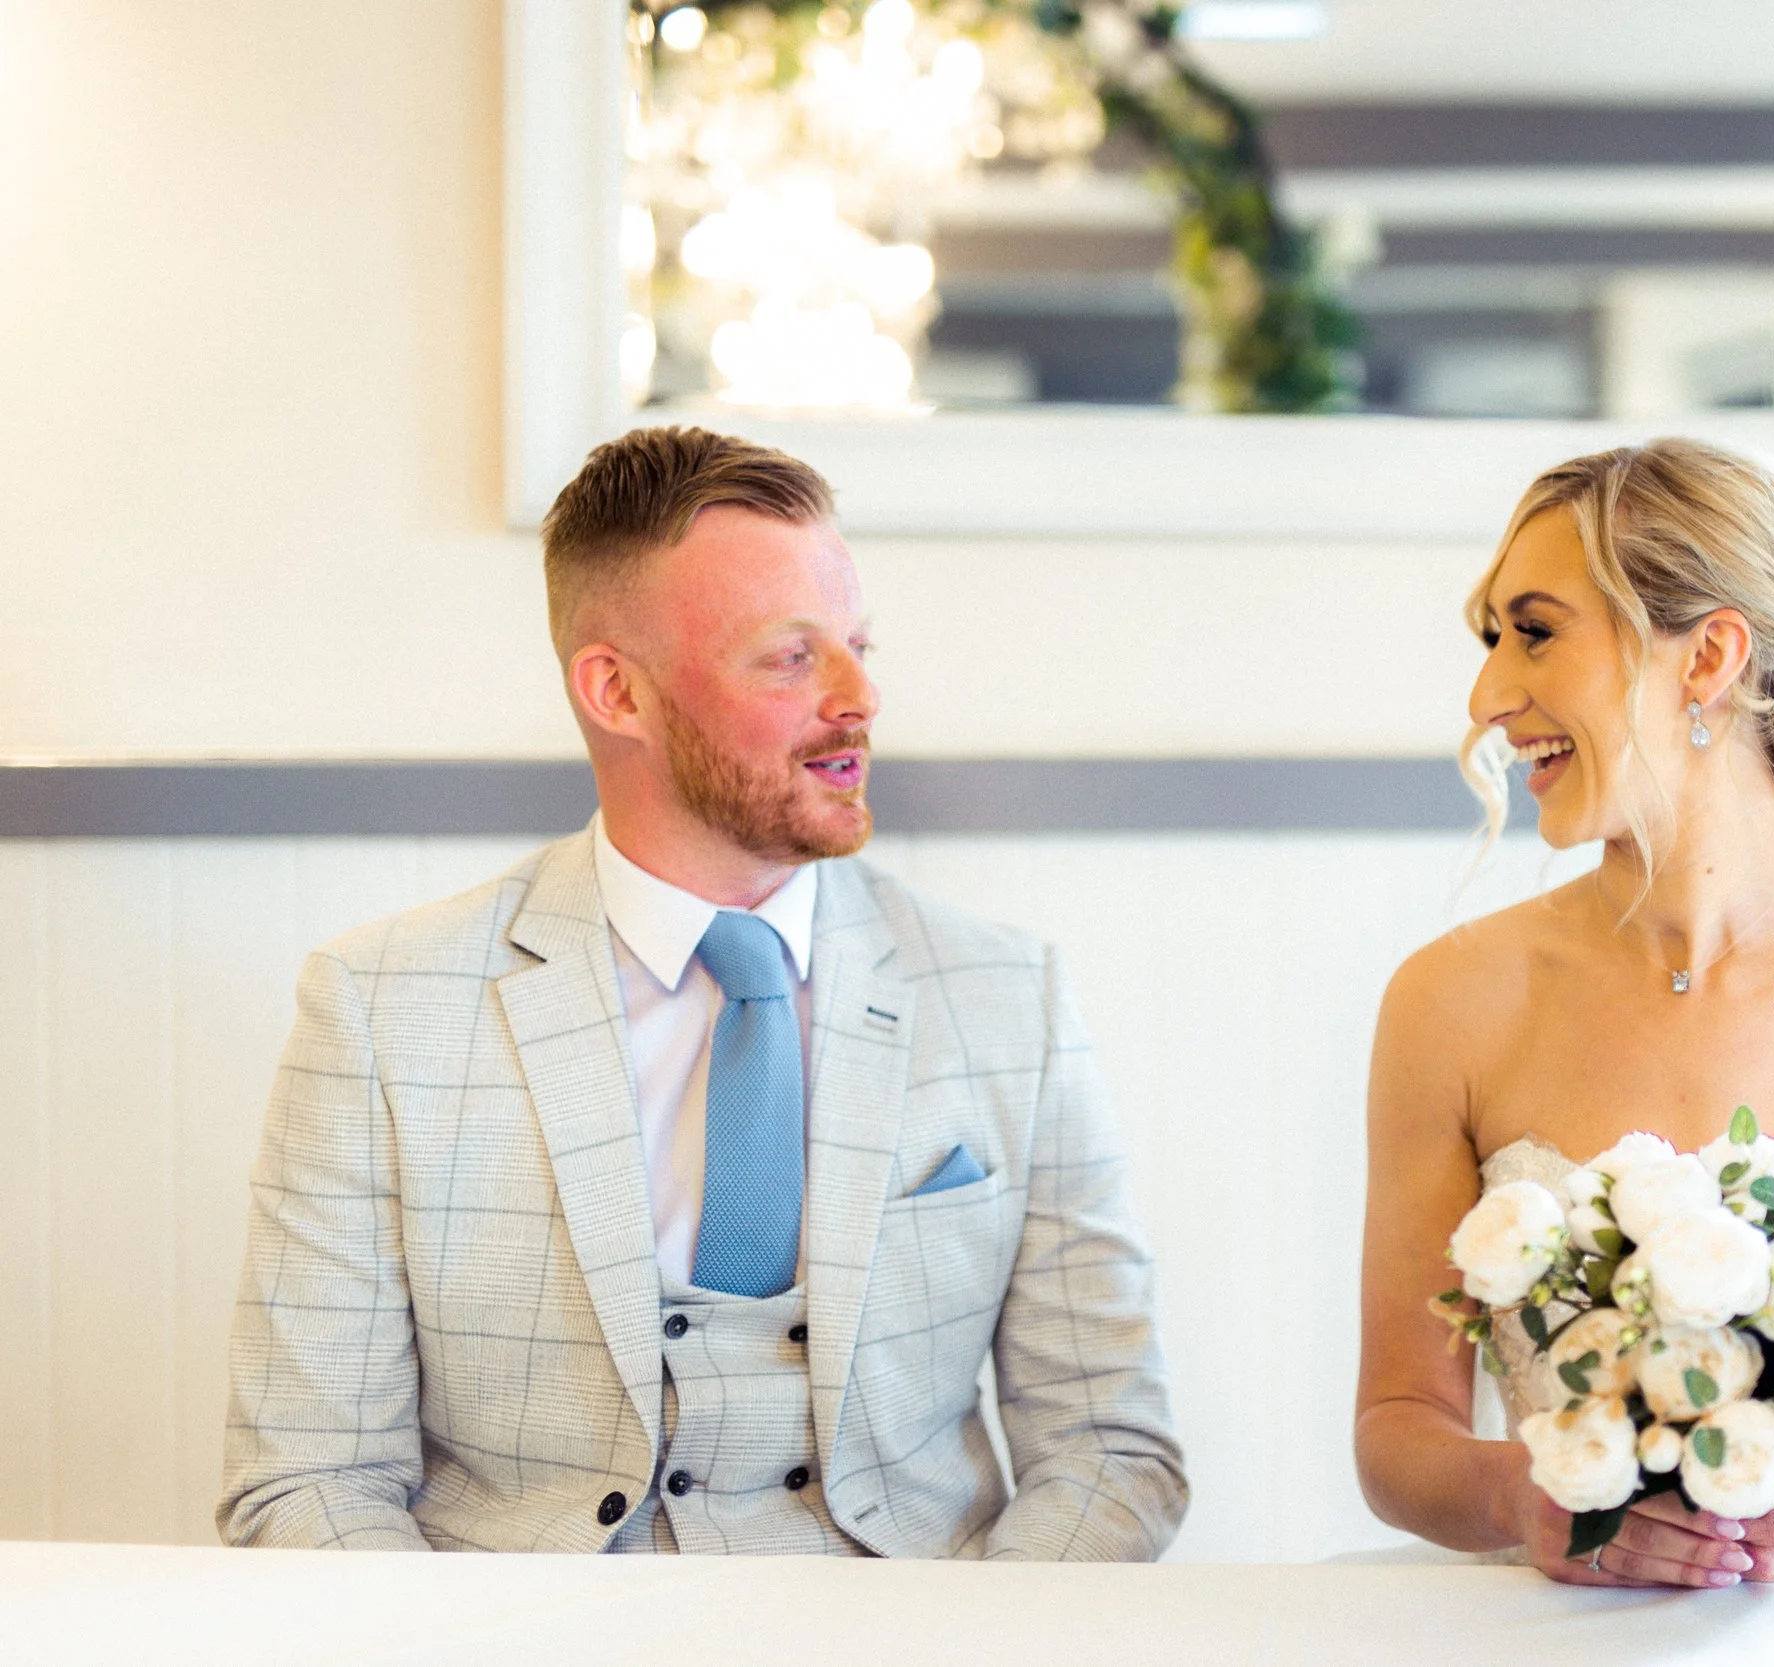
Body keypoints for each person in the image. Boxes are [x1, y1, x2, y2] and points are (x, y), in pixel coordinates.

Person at [218, 426, 1186, 1557]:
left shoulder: (1008, 995)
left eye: (860, 646)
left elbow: (1111, 1447)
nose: (860, 696)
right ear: (616, 690)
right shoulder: (382, 1008)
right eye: (791, 655)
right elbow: (309, 1476)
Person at [1353, 439, 1774, 1586]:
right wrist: (1521, 1496)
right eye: (1489, 641)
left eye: (1534, 630)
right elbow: (1396, 1424)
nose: (1486, 699)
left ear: (1707, 655)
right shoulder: (1446, 1002)